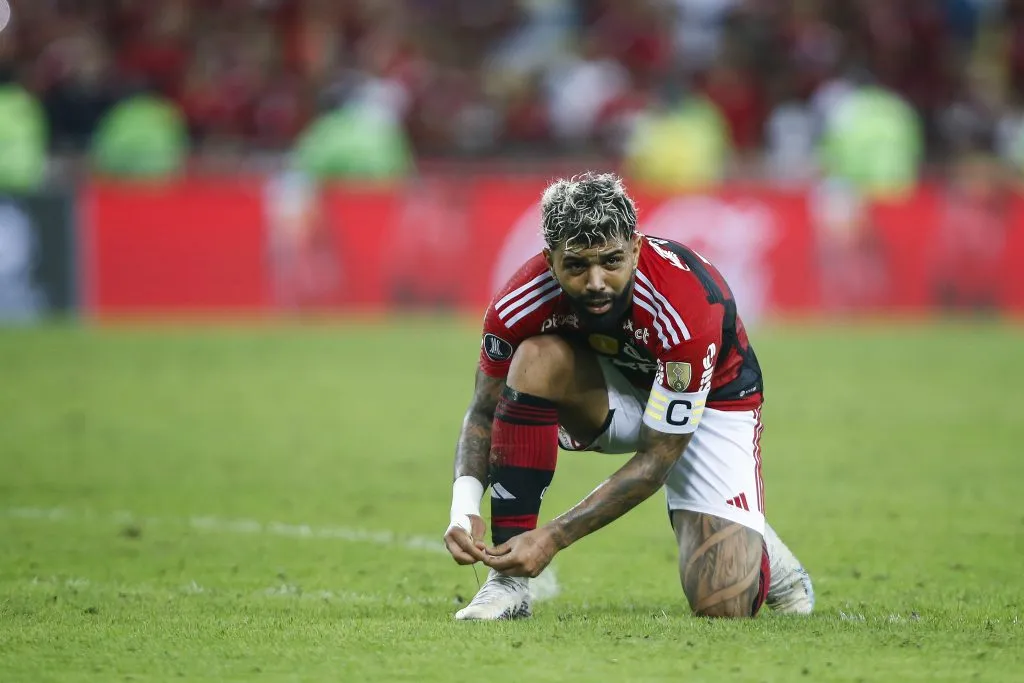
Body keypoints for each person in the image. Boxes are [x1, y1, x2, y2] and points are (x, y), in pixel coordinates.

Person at [444, 172, 815, 620]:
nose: (596, 282)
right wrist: (463, 507)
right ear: (549, 260)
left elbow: (657, 459)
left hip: (714, 404)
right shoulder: (519, 302)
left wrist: (553, 537)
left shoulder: (685, 304)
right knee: (535, 359)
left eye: (611, 261)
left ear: (636, 249)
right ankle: (507, 583)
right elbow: (484, 410)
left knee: (722, 605)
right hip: (618, 389)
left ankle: (761, 545)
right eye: (576, 265)